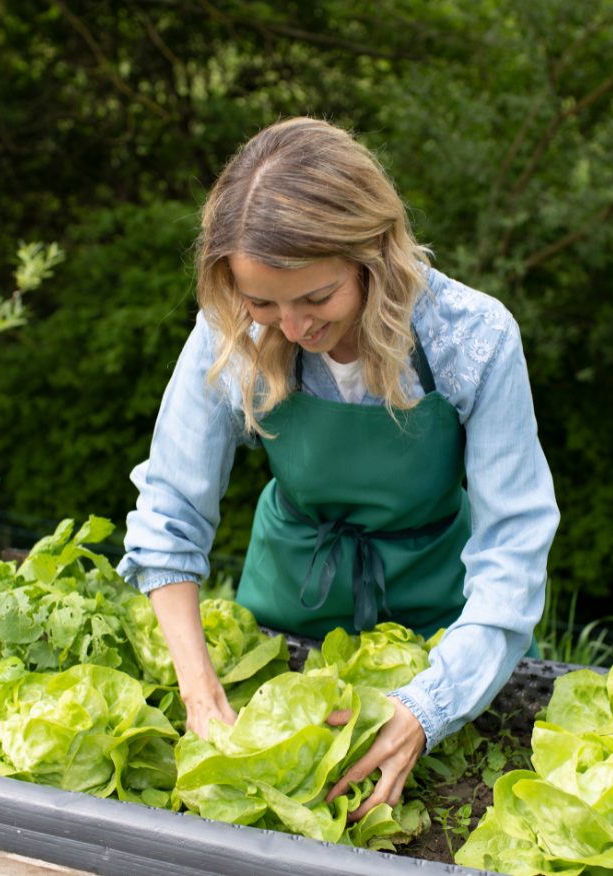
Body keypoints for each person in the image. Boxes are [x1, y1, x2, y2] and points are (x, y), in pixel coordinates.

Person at [118, 117, 559, 821]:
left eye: (315, 298)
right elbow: (170, 510)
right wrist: (201, 694)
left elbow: (514, 550)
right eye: (264, 302)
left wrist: (428, 705)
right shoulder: (231, 327)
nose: (290, 327)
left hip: (445, 616)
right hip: (287, 596)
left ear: (372, 257)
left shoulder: (472, 338)